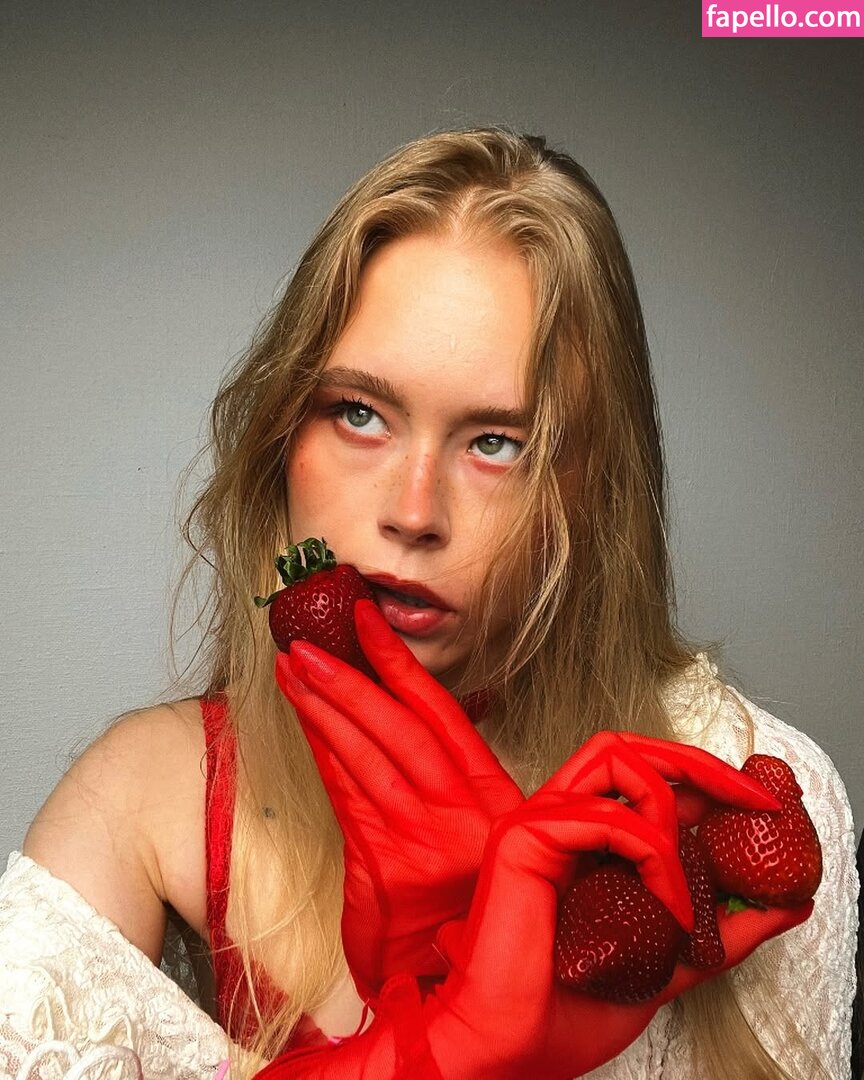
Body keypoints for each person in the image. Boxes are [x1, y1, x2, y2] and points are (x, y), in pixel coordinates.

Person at [0, 128, 856, 1080]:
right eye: (359, 414)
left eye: (498, 443)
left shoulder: (742, 792)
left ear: (594, 491)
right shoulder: (146, 798)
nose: (413, 513)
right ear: (282, 437)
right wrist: (456, 1040)